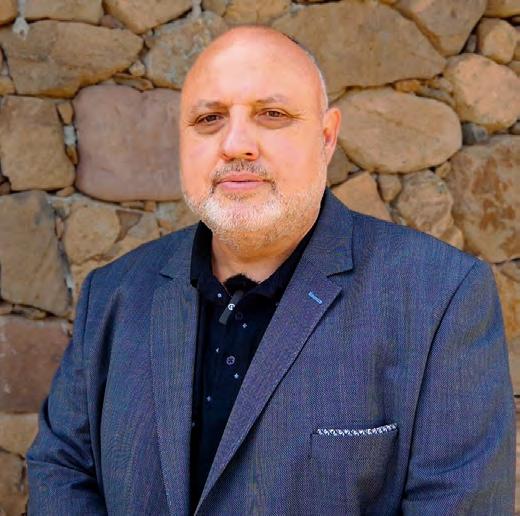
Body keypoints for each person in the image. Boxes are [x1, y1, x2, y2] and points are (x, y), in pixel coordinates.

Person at [27, 25, 515, 515]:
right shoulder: (112, 293)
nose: (236, 144)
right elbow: (62, 469)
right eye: (209, 118)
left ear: (326, 137)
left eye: (272, 114)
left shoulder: (440, 297)